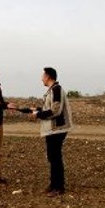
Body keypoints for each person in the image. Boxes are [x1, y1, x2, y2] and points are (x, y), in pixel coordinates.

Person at [30, 67, 73, 197]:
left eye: (43, 75)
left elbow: (55, 111)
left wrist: (38, 114)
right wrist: (37, 110)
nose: (41, 78)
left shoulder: (56, 89)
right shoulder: (51, 91)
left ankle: (59, 187)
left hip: (57, 130)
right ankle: (54, 184)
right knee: (52, 157)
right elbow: (48, 108)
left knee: (55, 158)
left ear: (48, 76)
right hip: (52, 130)